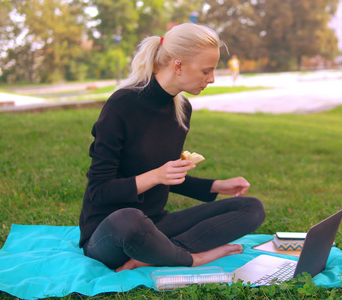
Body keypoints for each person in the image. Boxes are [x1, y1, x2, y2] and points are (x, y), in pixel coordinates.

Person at [78, 23, 266, 272]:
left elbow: (167, 175)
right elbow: (99, 191)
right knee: (130, 219)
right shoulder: (121, 106)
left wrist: (215, 186)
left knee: (251, 208)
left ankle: (157, 253)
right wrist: (156, 176)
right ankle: (191, 258)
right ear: (178, 64)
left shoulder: (182, 110)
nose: (211, 79)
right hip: (111, 232)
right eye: (205, 71)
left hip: (157, 224)